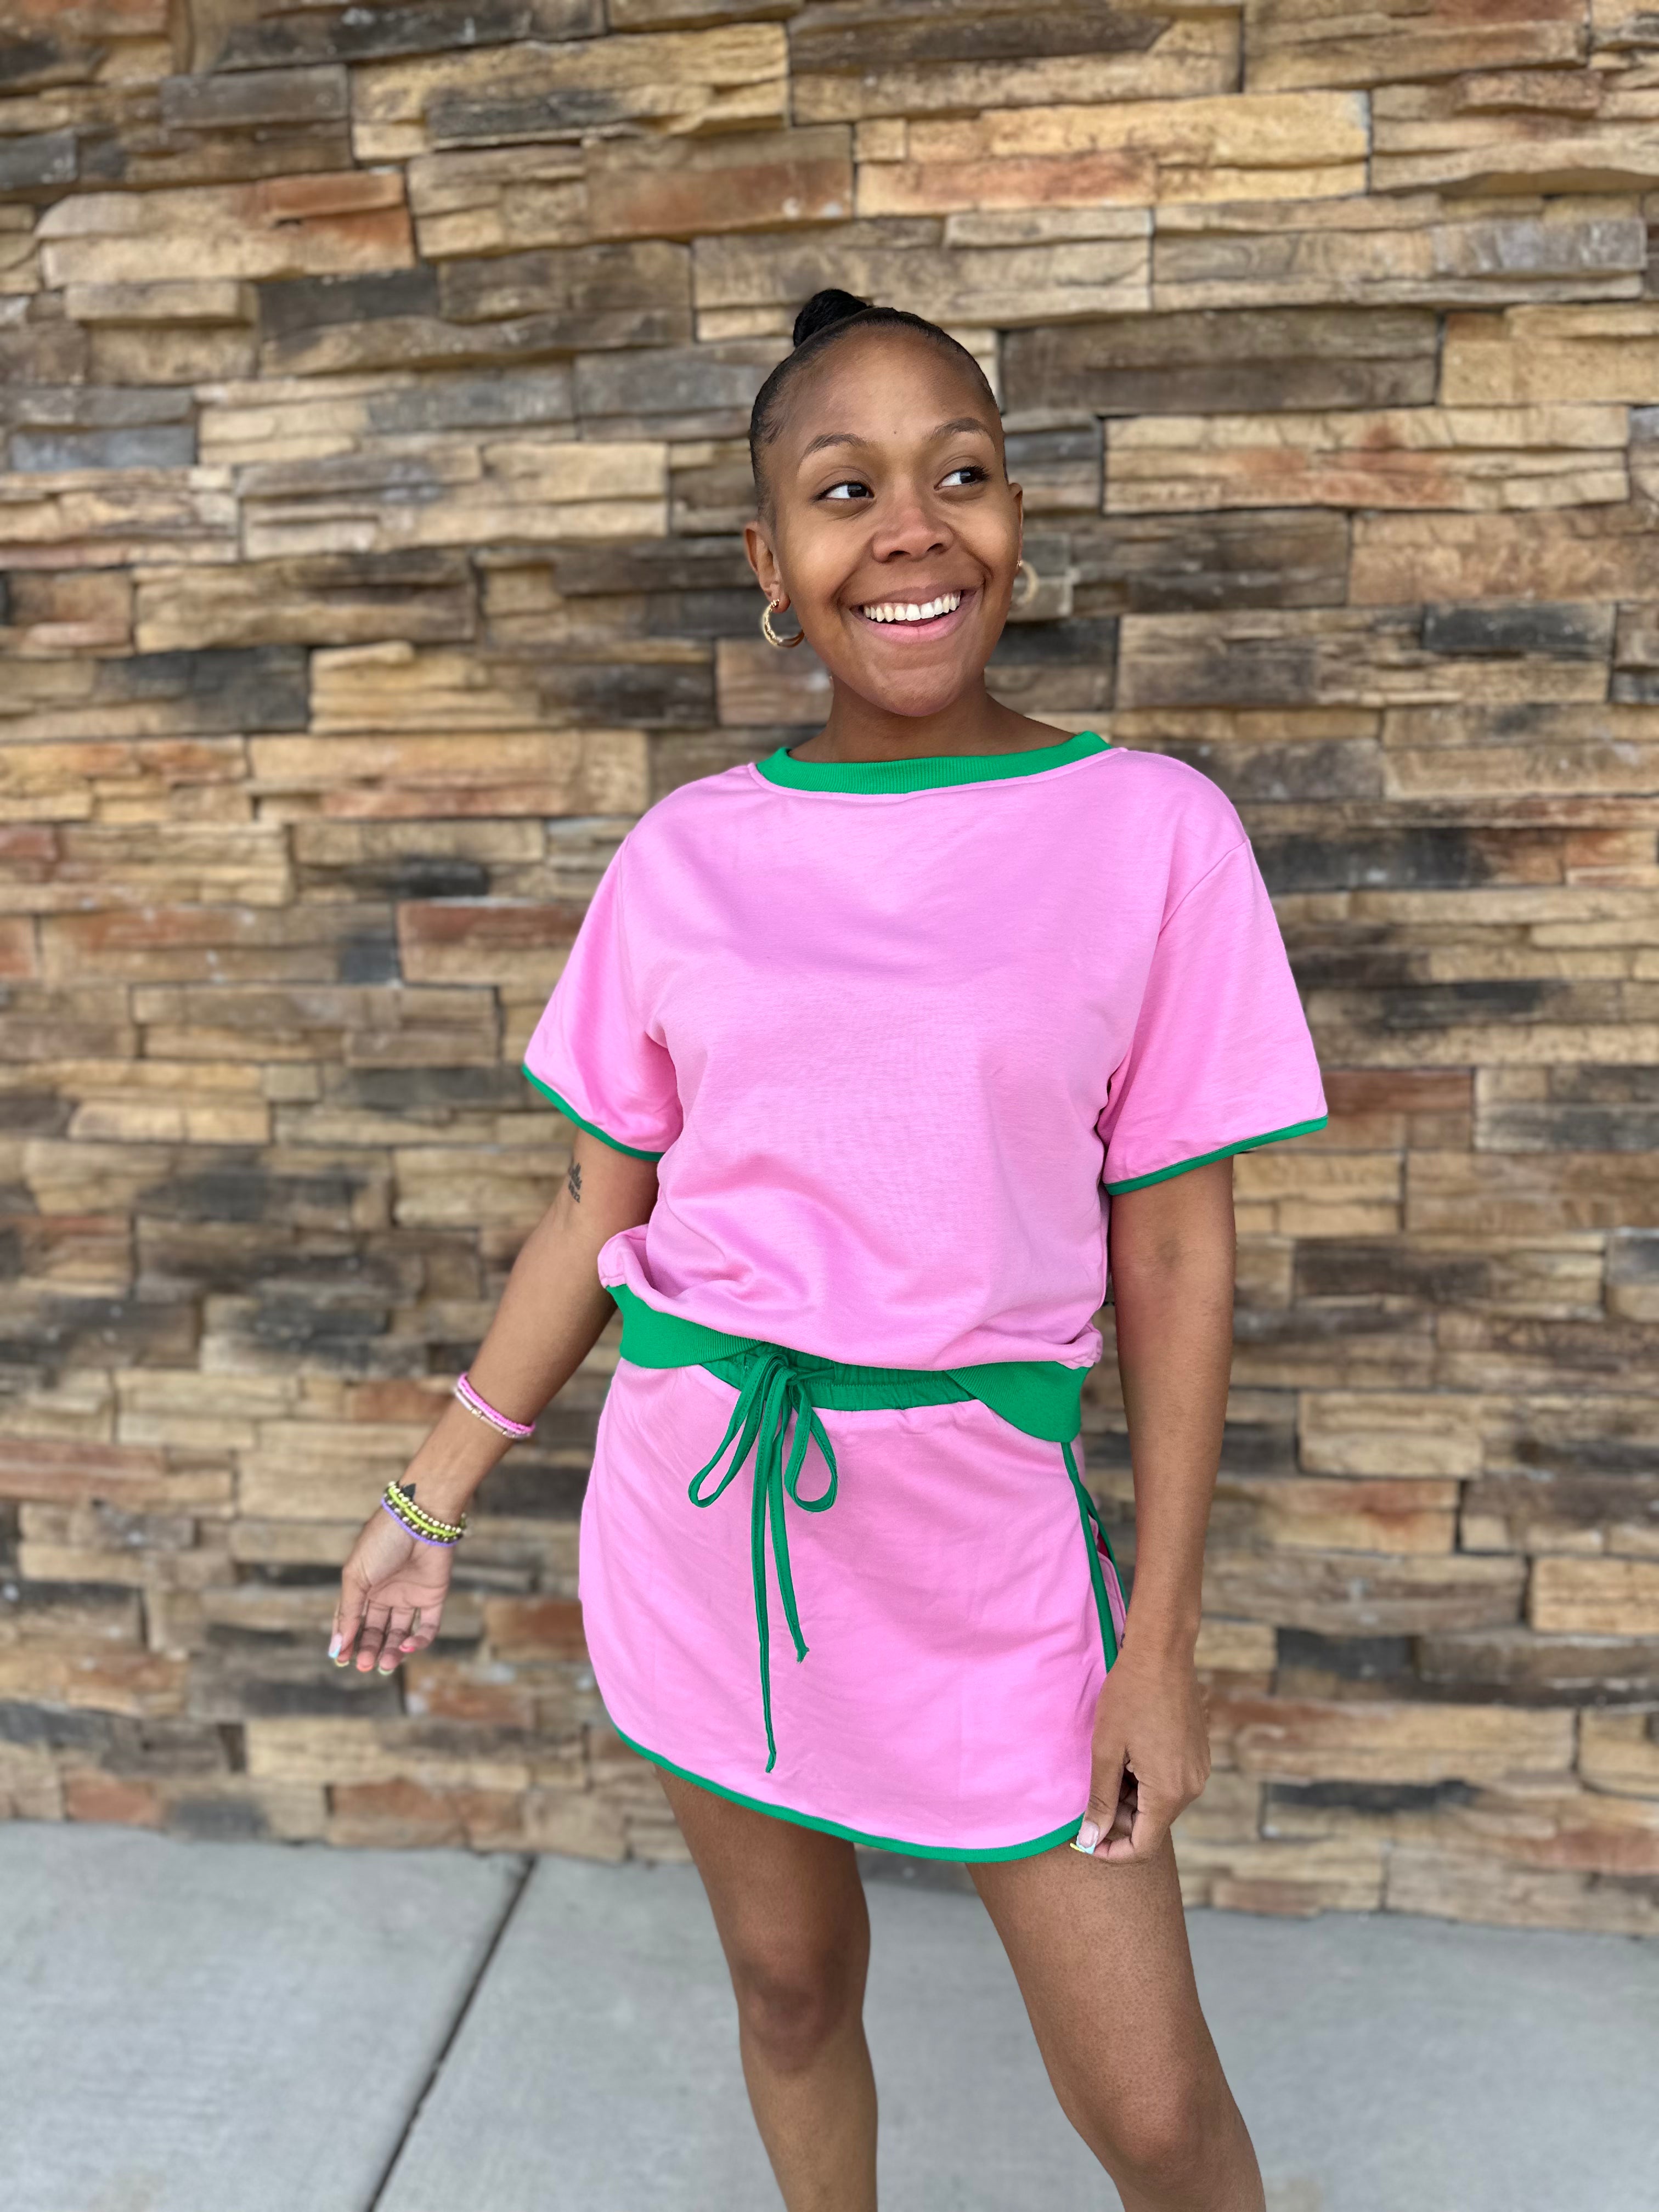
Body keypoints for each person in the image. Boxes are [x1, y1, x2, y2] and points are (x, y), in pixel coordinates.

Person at [326, 287, 1327, 2212]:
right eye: (845, 490)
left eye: (963, 476)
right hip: (706, 1517)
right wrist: (429, 1496)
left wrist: (1161, 1645)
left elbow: (1176, 1266)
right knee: (789, 1992)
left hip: (982, 1544)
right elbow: (599, 1213)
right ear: (771, 563)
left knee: (1151, 2113)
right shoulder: (687, 856)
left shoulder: (1151, 833)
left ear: (1017, 516)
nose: (912, 531)